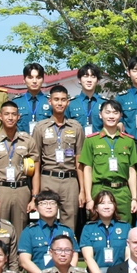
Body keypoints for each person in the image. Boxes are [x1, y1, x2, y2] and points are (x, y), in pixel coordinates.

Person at [0, 101, 40, 231]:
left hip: (22, 190)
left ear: (18, 117)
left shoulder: (28, 140)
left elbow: (35, 170)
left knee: (20, 229)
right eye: (6, 114)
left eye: (13, 114)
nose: (10, 118)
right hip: (1, 190)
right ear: (0, 116)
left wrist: (34, 197)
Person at [79, 99, 137, 222]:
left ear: (121, 115)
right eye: (107, 112)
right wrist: (89, 198)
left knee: (125, 228)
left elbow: (131, 171)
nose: (111, 116)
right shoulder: (91, 140)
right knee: (97, 228)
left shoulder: (128, 141)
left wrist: (134, 198)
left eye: (115, 112)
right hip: (99, 190)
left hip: (122, 192)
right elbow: (87, 170)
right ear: (100, 115)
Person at [33, 84, 85, 227]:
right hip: (48, 179)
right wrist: (35, 192)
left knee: (70, 222)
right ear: (49, 101)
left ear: (68, 102)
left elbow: (79, 160)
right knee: (46, 220)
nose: (60, 103)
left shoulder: (76, 127)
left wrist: (82, 190)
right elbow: (36, 160)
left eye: (63, 100)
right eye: (56, 99)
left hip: (70, 180)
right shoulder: (40, 127)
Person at [66, 63, 104, 136]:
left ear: (98, 81)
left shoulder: (105, 103)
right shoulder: (70, 104)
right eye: (85, 76)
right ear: (79, 80)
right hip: (77, 145)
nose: (89, 80)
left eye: (93, 76)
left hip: (100, 145)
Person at [13, 62, 51, 135]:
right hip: (23, 143)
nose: (34, 81)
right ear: (24, 80)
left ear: (43, 80)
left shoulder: (50, 102)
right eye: (30, 77)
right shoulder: (16, 102)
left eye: (38, 77)